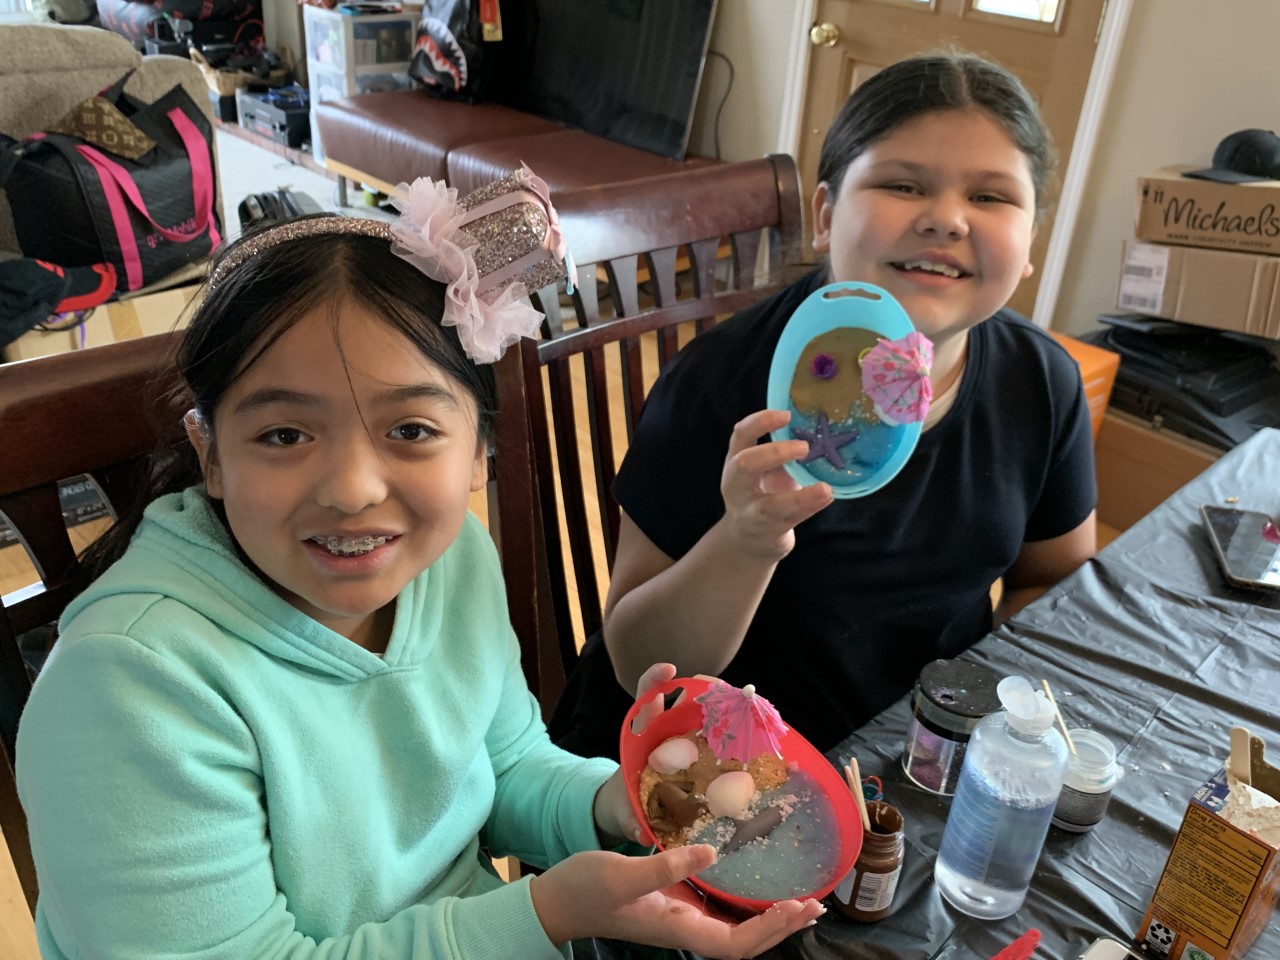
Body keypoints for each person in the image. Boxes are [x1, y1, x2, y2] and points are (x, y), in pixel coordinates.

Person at [14, 170, 825, 960]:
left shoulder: (448, 557)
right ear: (211, 453)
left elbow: (503, 767)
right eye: (285, 435)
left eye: (410, 431)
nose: (353, 490)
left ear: (480, 449)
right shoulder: (128, 687)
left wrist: (623, 803)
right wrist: (540, 916)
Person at [551, 52, 1098, 760]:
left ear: (1029, 247)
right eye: (903, 184)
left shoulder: (1043, 383)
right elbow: (639, 665)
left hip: (906, 771)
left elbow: (1052, 580)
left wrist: (977, 726)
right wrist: (744, 542)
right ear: (825, 213)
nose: (947, 219)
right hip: (701, 770)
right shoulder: (719, 386)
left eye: (992, 197)